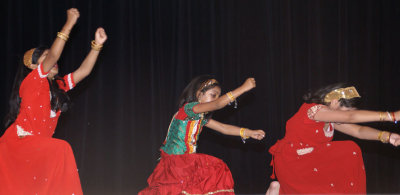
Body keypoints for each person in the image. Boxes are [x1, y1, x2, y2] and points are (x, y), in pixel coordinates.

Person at [0, 8, 107, 194]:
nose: (52, 60)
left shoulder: (59, 87)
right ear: (33, 66)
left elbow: (84, 72)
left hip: (39, 148)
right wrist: (69, 24)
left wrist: (97, 46)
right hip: (20, 144)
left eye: (49, 56)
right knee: (62, 149)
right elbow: (55, 55)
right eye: (44, 56)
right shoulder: (32, 81)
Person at [139, 75, 266, 195]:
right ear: (199, 95)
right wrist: (243, 88)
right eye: (213, 95)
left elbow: (223, 128)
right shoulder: (189, 109)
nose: (216, 99)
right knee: (217, 169)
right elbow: (218, 104)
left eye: (218, 96)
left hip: (185, 163)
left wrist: (248, 132)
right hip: (177, 162)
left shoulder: (198, 117)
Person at [266, 83, 400, 195]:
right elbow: (351, 117)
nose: (346, 115)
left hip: (310, 160)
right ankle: (280, 190)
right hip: (294, 161)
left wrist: (386, 136)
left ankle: (278, 191)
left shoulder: (329, 119)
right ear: (335, 102)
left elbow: (358, 130)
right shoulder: (314, 110)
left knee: (350, 150)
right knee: (348, 150)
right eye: (346, 111)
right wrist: (391, 116)